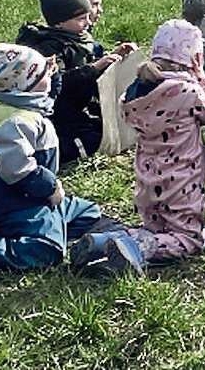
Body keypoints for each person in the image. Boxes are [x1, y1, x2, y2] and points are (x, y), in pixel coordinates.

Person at [77, 19, 205, 275]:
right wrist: (203, 77)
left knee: (155, 227)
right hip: (181, 180)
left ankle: (101, 243)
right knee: (189, 239)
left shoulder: (136, 91)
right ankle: (132, 247)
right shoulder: (187, 90)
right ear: (195, 57)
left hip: (148, 178)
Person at [0, 43, 131, 272]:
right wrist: (50, 189)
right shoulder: (14, 123)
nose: (50, 76)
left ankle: (60, 226)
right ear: (22, 86)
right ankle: (26, 241)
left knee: (89, 213)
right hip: (19, 202)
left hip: (39, 196)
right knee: (46, 250)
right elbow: (18, 170)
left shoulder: (25, 105)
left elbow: (54, 90)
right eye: (42, 74)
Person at [15, 0, 137, 163]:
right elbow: (58, 83)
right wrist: (93, 69)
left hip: (81, 106)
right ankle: (53, 151)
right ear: (59, 23)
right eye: (81, 19)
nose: (88, 22)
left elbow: (92, 58)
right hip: (59, 114)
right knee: (92, 139)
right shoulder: (49, 48)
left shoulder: (78, 37)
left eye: (88, 15)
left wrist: (113, 56)